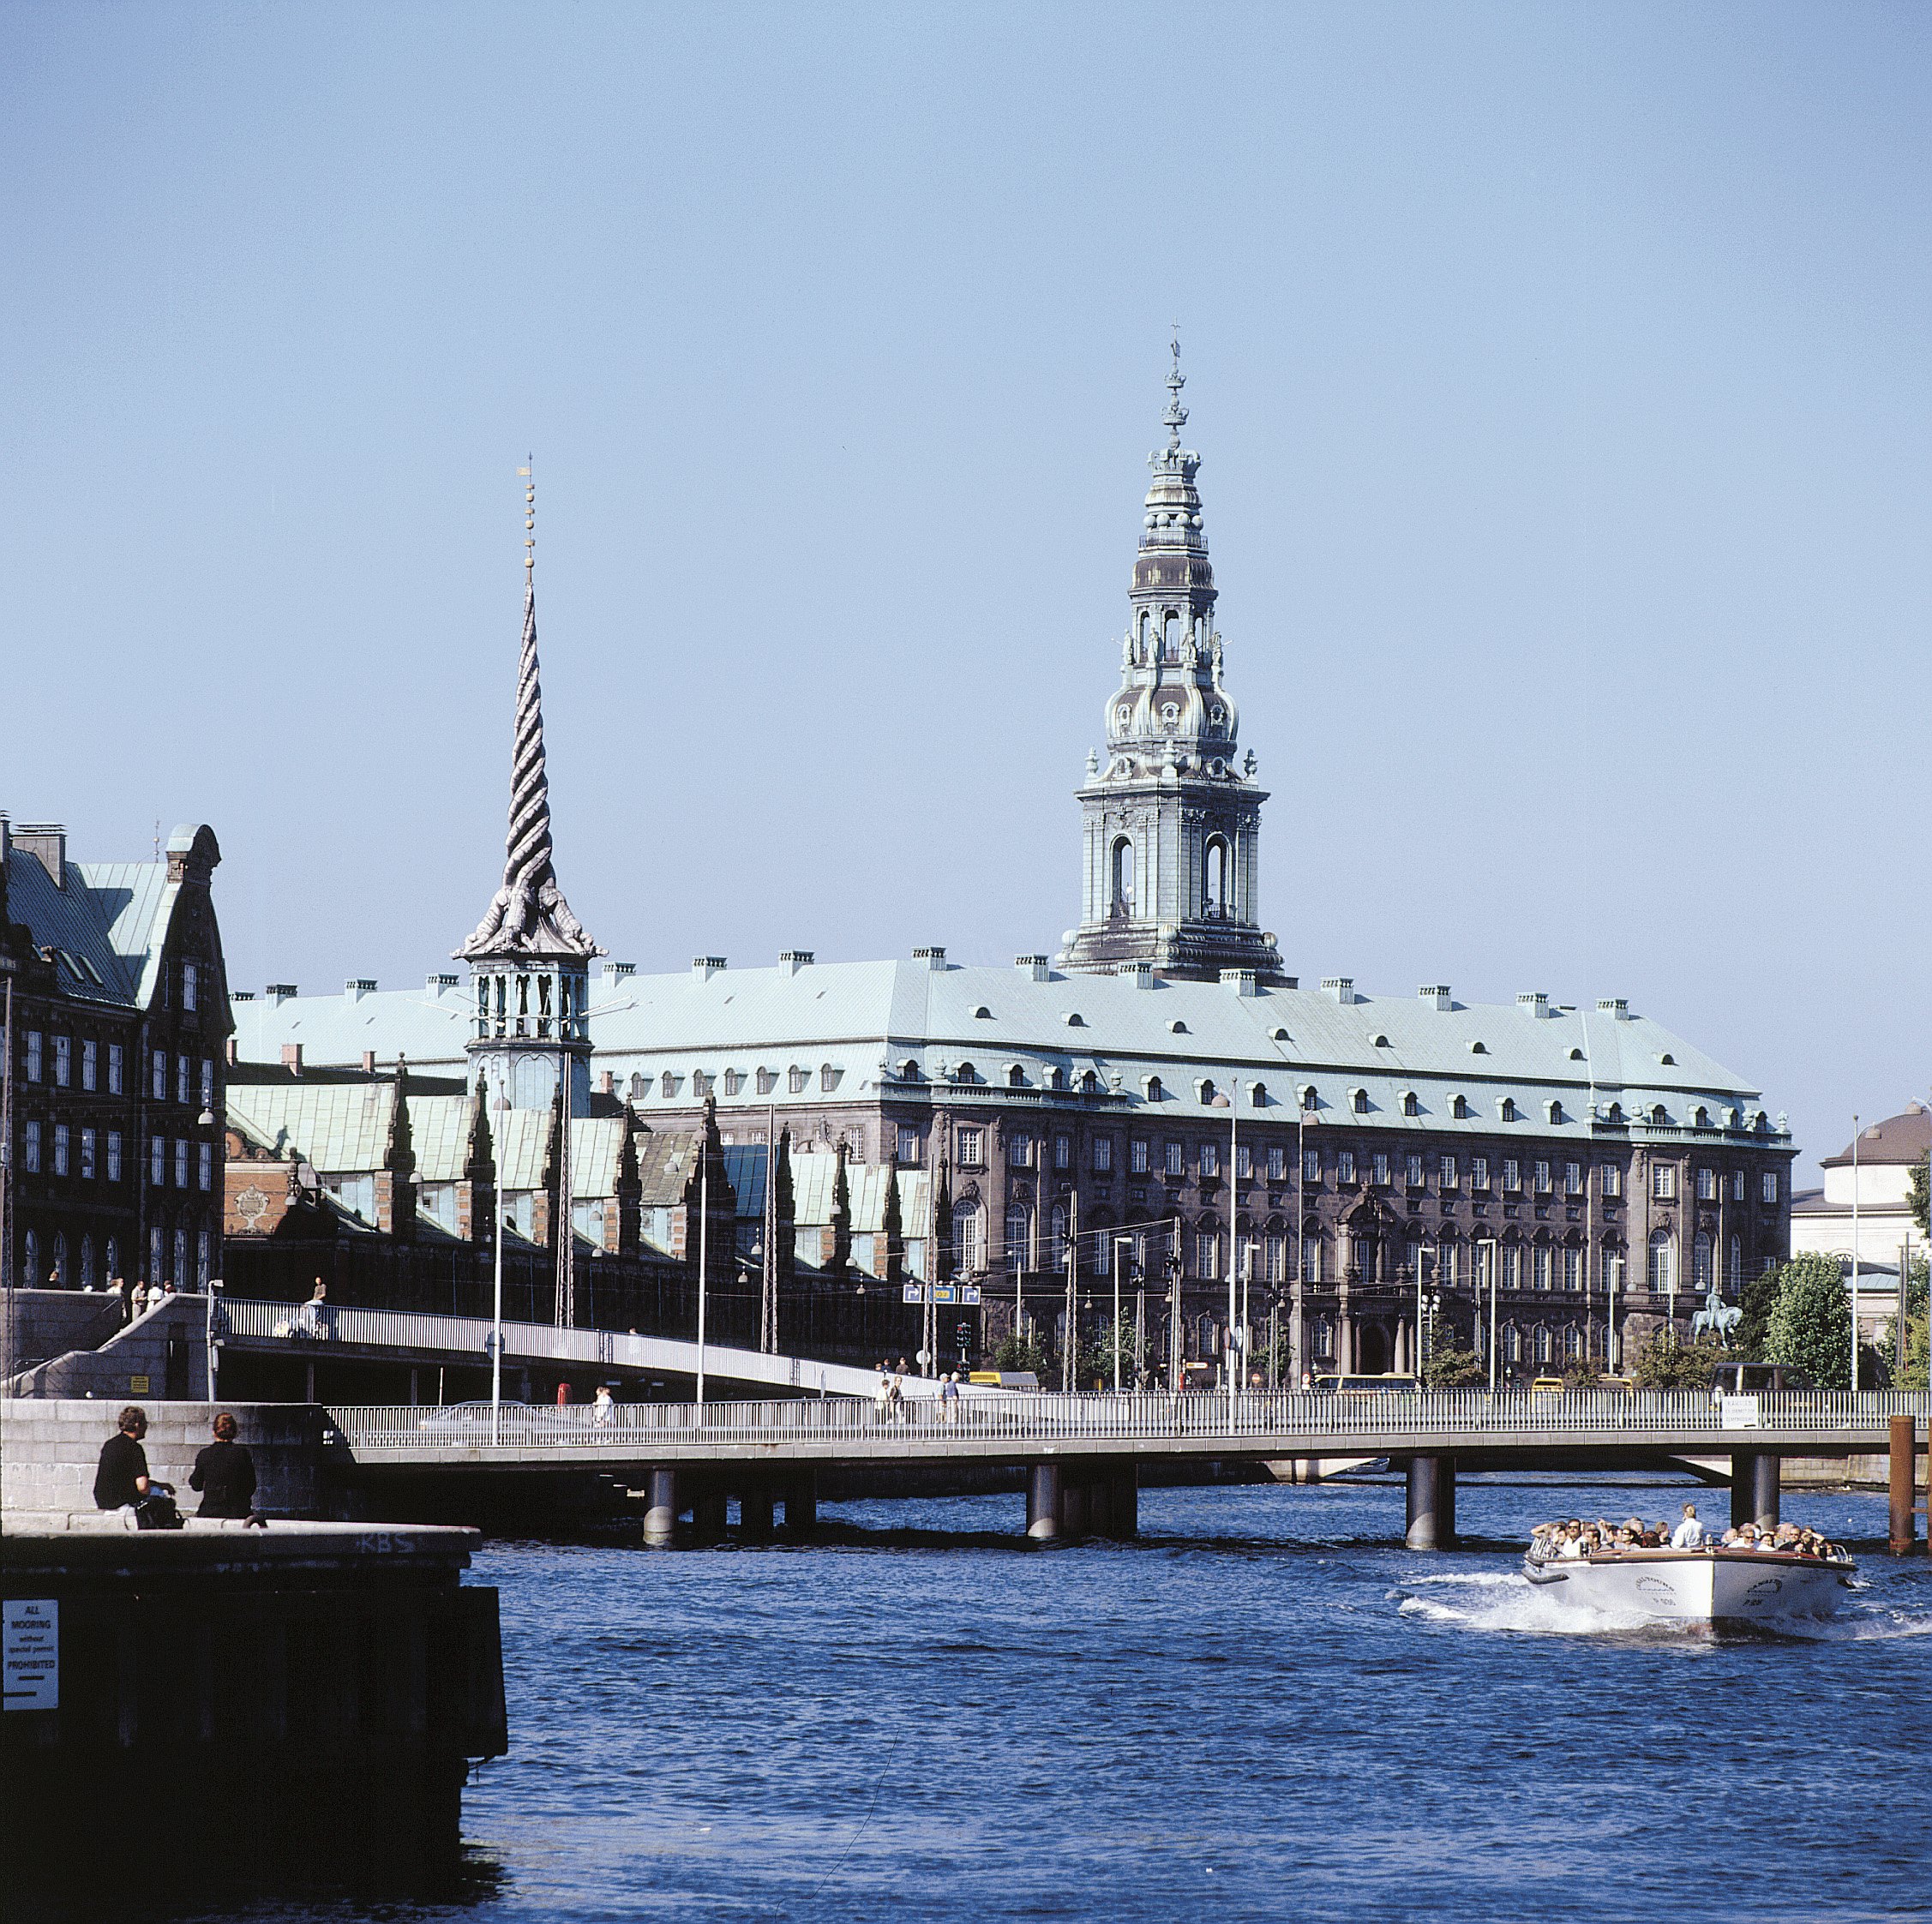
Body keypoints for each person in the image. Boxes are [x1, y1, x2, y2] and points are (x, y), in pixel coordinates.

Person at [189, 1412, 258, 1519]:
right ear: (234, 1432)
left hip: (210, 1512)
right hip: (238, 1511)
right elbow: (250, 1486)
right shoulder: (242, 1454)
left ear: (214, 1432)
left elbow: (196, 1485)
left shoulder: (205, 1454)